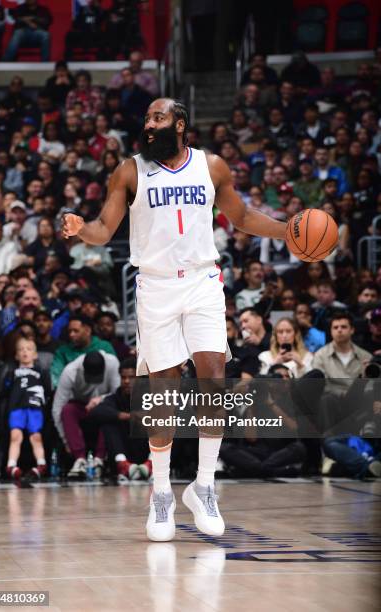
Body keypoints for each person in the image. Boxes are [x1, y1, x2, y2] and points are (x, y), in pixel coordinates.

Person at [62, 97, 288, 542]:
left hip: (203, 279)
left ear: (180, 124)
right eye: (146, 117)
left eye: (158, 117)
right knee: (162, 389)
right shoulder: (129, 170)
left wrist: (288, 230)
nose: (149, 124)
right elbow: (104, 229)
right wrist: (80, 228)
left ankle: (204, 485)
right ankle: (161, 491)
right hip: (157, 285)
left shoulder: (212, 166)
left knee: (213, 375)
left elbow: (240, 217)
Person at [52, 350, 119, 479]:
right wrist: (66, 441)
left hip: (103, 406)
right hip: (81, 406)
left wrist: (101, 399)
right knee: (67, 410)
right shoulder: (70, 371)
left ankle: (99, 459)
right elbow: (57, 408)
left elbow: (118, 394)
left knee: (109, 411)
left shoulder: (113, 363)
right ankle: (79, 460)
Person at [88, 357, 152, 482]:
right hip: (124, 449)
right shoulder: (116, 397)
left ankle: (152, 465)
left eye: (131, 377)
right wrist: (126, 416)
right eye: (123, 378)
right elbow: (96, 412)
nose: (127, 381)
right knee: (108, 423)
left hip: (146, 447)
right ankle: (123, 465)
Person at [6, 337, 50, 480]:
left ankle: (41, 464)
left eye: (29, 349)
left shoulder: (40, 372)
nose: (25, 352)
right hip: (16, 407)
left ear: (35, 354)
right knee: (15, 435)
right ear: (16, 355)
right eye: (21, 349)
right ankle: (11, 465)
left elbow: (47, 390)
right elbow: (4, 389)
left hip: (34, 406)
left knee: (36, 436)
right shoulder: (12, 372)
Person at [312, 312, 371, 397]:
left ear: (352, 330)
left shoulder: (365, 356)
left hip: (360, 401)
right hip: (332, 402)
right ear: (331, 331)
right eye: (335, 327)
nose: (339, 330)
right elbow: (319, 385)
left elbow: (372, 385)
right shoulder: (320, 355)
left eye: (343, 327)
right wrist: (344, 394)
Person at [50, 313, 116, 388]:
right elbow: (55, 376)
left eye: (76, 331)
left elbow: (113, 374)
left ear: (88, 331)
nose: (71, 335)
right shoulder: (62, 351)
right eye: (70, 331)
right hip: (71, 393)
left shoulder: (104, 347)